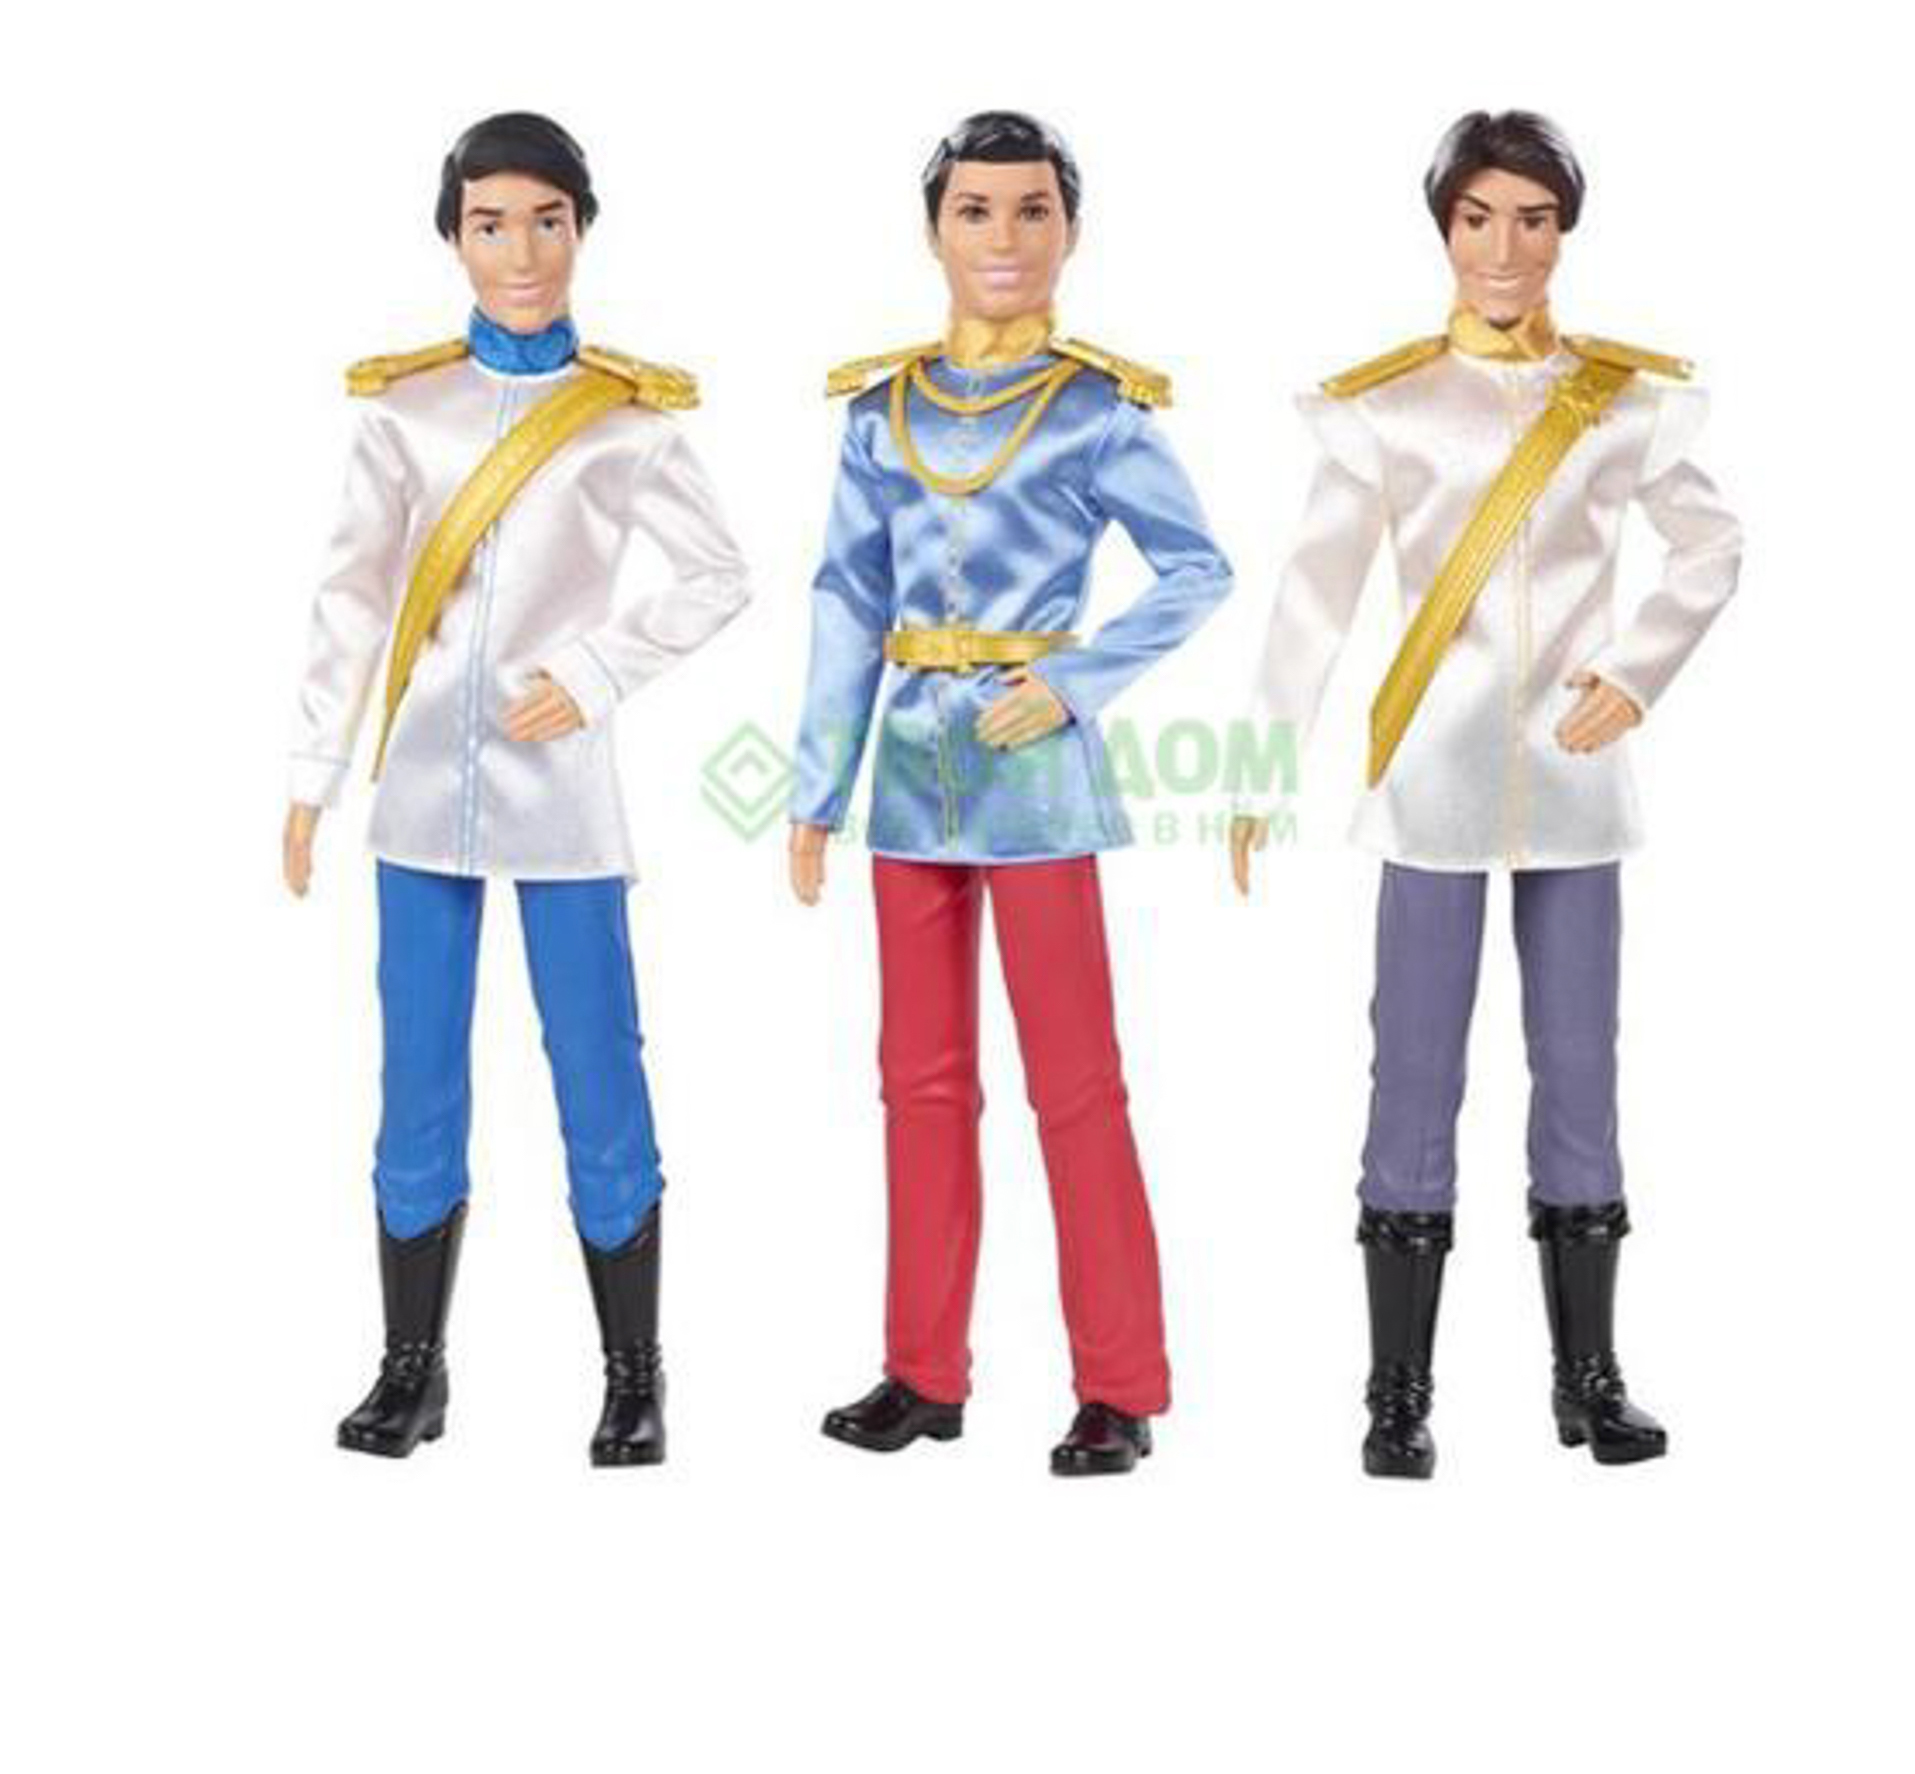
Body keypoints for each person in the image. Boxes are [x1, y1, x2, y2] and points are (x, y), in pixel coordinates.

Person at [1231, 109, 1742, 1477]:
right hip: (1434, 785)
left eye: (1532, 219)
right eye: (1478, 219)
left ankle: (1589, 1372)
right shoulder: (1390, 406)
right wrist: (1260, 763)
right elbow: (1315, 594)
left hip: (1574, 778)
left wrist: (1636, 671)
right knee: (1413, 1074)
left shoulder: (1621, 401)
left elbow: (1710, 546)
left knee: (1581, 1070)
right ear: (1444, 229)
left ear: (1564, 230)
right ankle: (1396, 1389)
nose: (1505, 248)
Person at [284, 111, 750, 1466]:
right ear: (455, 238)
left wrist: (598, 671)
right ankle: (410, 1368)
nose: (523, 251)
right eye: (491, 224)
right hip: (425, 785)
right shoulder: (404, 412)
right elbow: (352, 596)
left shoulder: (627, 424)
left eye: (548, 221)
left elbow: (718, 574)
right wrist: (314, 770)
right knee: (417, 1074)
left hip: (563, 791)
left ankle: (633, 1375)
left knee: (599, 1068)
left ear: (581, 230)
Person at [790, 110, 1231, 1476]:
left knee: (1075, 1084)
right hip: (909, 778)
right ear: (934, 230)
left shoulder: (1098, 411)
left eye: (1032, 209)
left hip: (1036, 773)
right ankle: (923, 1369)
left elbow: (1197, 569)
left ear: (1071, 231)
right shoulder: (882, 411)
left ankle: (1121, 1384)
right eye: (974, 210)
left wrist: (1079, 681)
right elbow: (846, 595)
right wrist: (816, 786)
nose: (1003, 237)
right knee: (917, 1084)